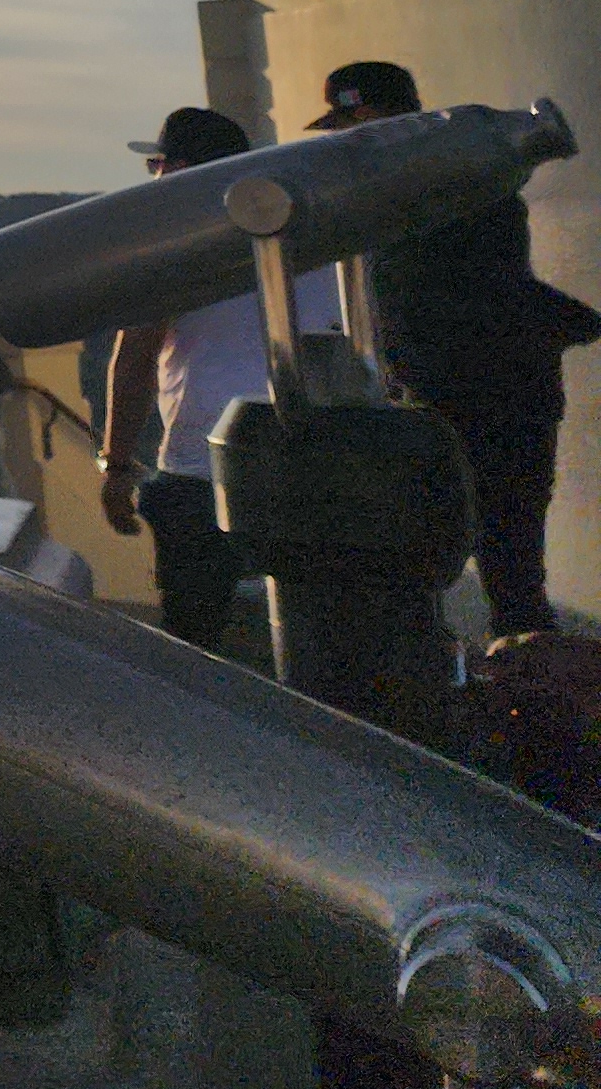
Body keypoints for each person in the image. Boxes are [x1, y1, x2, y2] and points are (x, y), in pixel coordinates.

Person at [338, 56, 600, 636]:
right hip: (481, 393)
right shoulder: (451, 179)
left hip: (476, 398)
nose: (347, 139)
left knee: (500, 555)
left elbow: (474, 289)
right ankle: (522, 669)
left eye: (352, 122)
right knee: (504, 556)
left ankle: (524, 682)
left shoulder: (429, 187)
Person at [101, 105, 343, 652]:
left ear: (179, 168)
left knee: (197, 640)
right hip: (306, 453)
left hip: (200, 467)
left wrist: (117, 468)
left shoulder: (169, 251)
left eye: (157, 164)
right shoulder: (311, 229)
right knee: (313, 627)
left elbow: (134, 360)